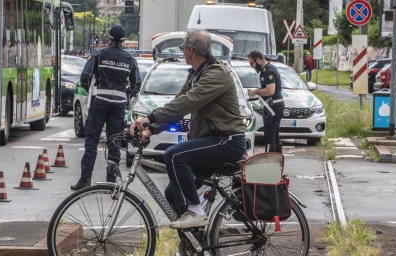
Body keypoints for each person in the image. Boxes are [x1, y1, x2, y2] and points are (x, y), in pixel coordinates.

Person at [130, 29, 247, 229]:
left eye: (183, 48)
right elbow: (177, 104)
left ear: (190, 50)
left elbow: (187, 103)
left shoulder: (216, 74)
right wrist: (152, 129)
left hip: (228, 140)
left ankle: (196, 212)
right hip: (214, 140)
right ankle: (196, 241)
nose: (182, 51)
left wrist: (149, 118)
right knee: (171, 195)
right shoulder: (196, 74)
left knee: (174, 155)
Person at [71, 25, 139, 190]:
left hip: (100, 101)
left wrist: (92, 92)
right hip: (119, 104)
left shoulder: (99, 54)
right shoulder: (130, 59)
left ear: (109, 38)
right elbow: (136, 83)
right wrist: (126, 96)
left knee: (92, 141)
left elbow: (85, 77)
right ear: (123, 40)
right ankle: (111, 182)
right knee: (114, 142)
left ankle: (85, 179)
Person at [247, 50, 284, 153]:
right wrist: (255, 91)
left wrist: (256, 92)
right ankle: (277, 158)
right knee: (274, 133)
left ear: (258, 60)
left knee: (270, 134)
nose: (252, 66)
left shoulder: (269, 71)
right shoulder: (265, 70)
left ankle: (270, 158)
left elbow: (270, 90)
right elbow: (265, 86)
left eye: (251, 63)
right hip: (273, 105)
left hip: (273, 106)